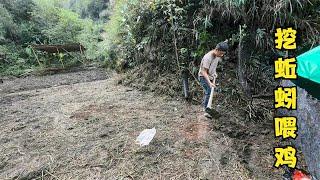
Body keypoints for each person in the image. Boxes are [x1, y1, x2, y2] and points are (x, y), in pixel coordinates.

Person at [198, 41, 229, 118]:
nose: (221, 55)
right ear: (217, 49)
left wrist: (214, 73)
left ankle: (206, 107)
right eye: (221, 53)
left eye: (223, 54)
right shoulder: (208, 57)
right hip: (203, 77)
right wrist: (210, 82)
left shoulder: (217, 56)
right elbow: (203, 71)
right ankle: (206, 110)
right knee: (209, 91)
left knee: (208, 92)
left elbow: (213, 66)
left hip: (211, 76)